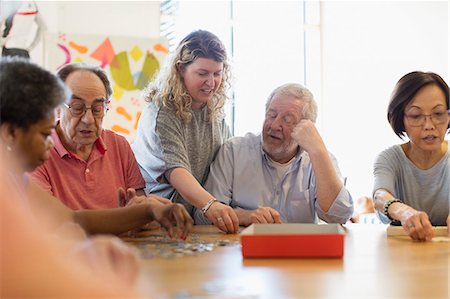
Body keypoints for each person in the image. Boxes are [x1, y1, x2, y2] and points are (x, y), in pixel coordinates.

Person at [0, 57, 192, 238]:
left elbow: (71, 220)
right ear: (10, 133)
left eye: (97, 109)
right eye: (44, 134)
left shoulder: (19, 181)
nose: (50, 143)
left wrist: (145, 211)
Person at [195, 83, 353, 226]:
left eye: (287, 119)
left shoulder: (319, 159)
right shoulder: (233, 152)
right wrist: (243, 216)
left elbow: (338, 217)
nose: (275, 125)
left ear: (306, 127)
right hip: (244, 251)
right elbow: (202, 217)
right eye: (271, 115)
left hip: (299, 253)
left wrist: (318, 151)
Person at [132, 30, 239, 233]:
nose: (211, 82)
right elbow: (176, 170)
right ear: (180, 69)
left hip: (198, 221)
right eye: (202, 73)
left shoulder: (215, 110)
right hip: (161, 222)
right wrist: (211, 205)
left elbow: (228, 159)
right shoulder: (162, 111)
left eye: (217, 73)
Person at [30, 62, 162, 210]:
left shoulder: (119, 146)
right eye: (77, 108)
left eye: (97, 109)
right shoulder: (36, 150)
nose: (88, 119)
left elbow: (138, 207)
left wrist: (148, 210)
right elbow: (49, 221)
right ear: (57, 108)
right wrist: (124, 218)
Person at [373, 71, 450, 241]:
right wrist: (404, 212)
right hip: (401, 255)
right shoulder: (389, 159)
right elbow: (379, 196)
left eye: (438, 114)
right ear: (401, 119)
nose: (429, 125)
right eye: (416, 116)